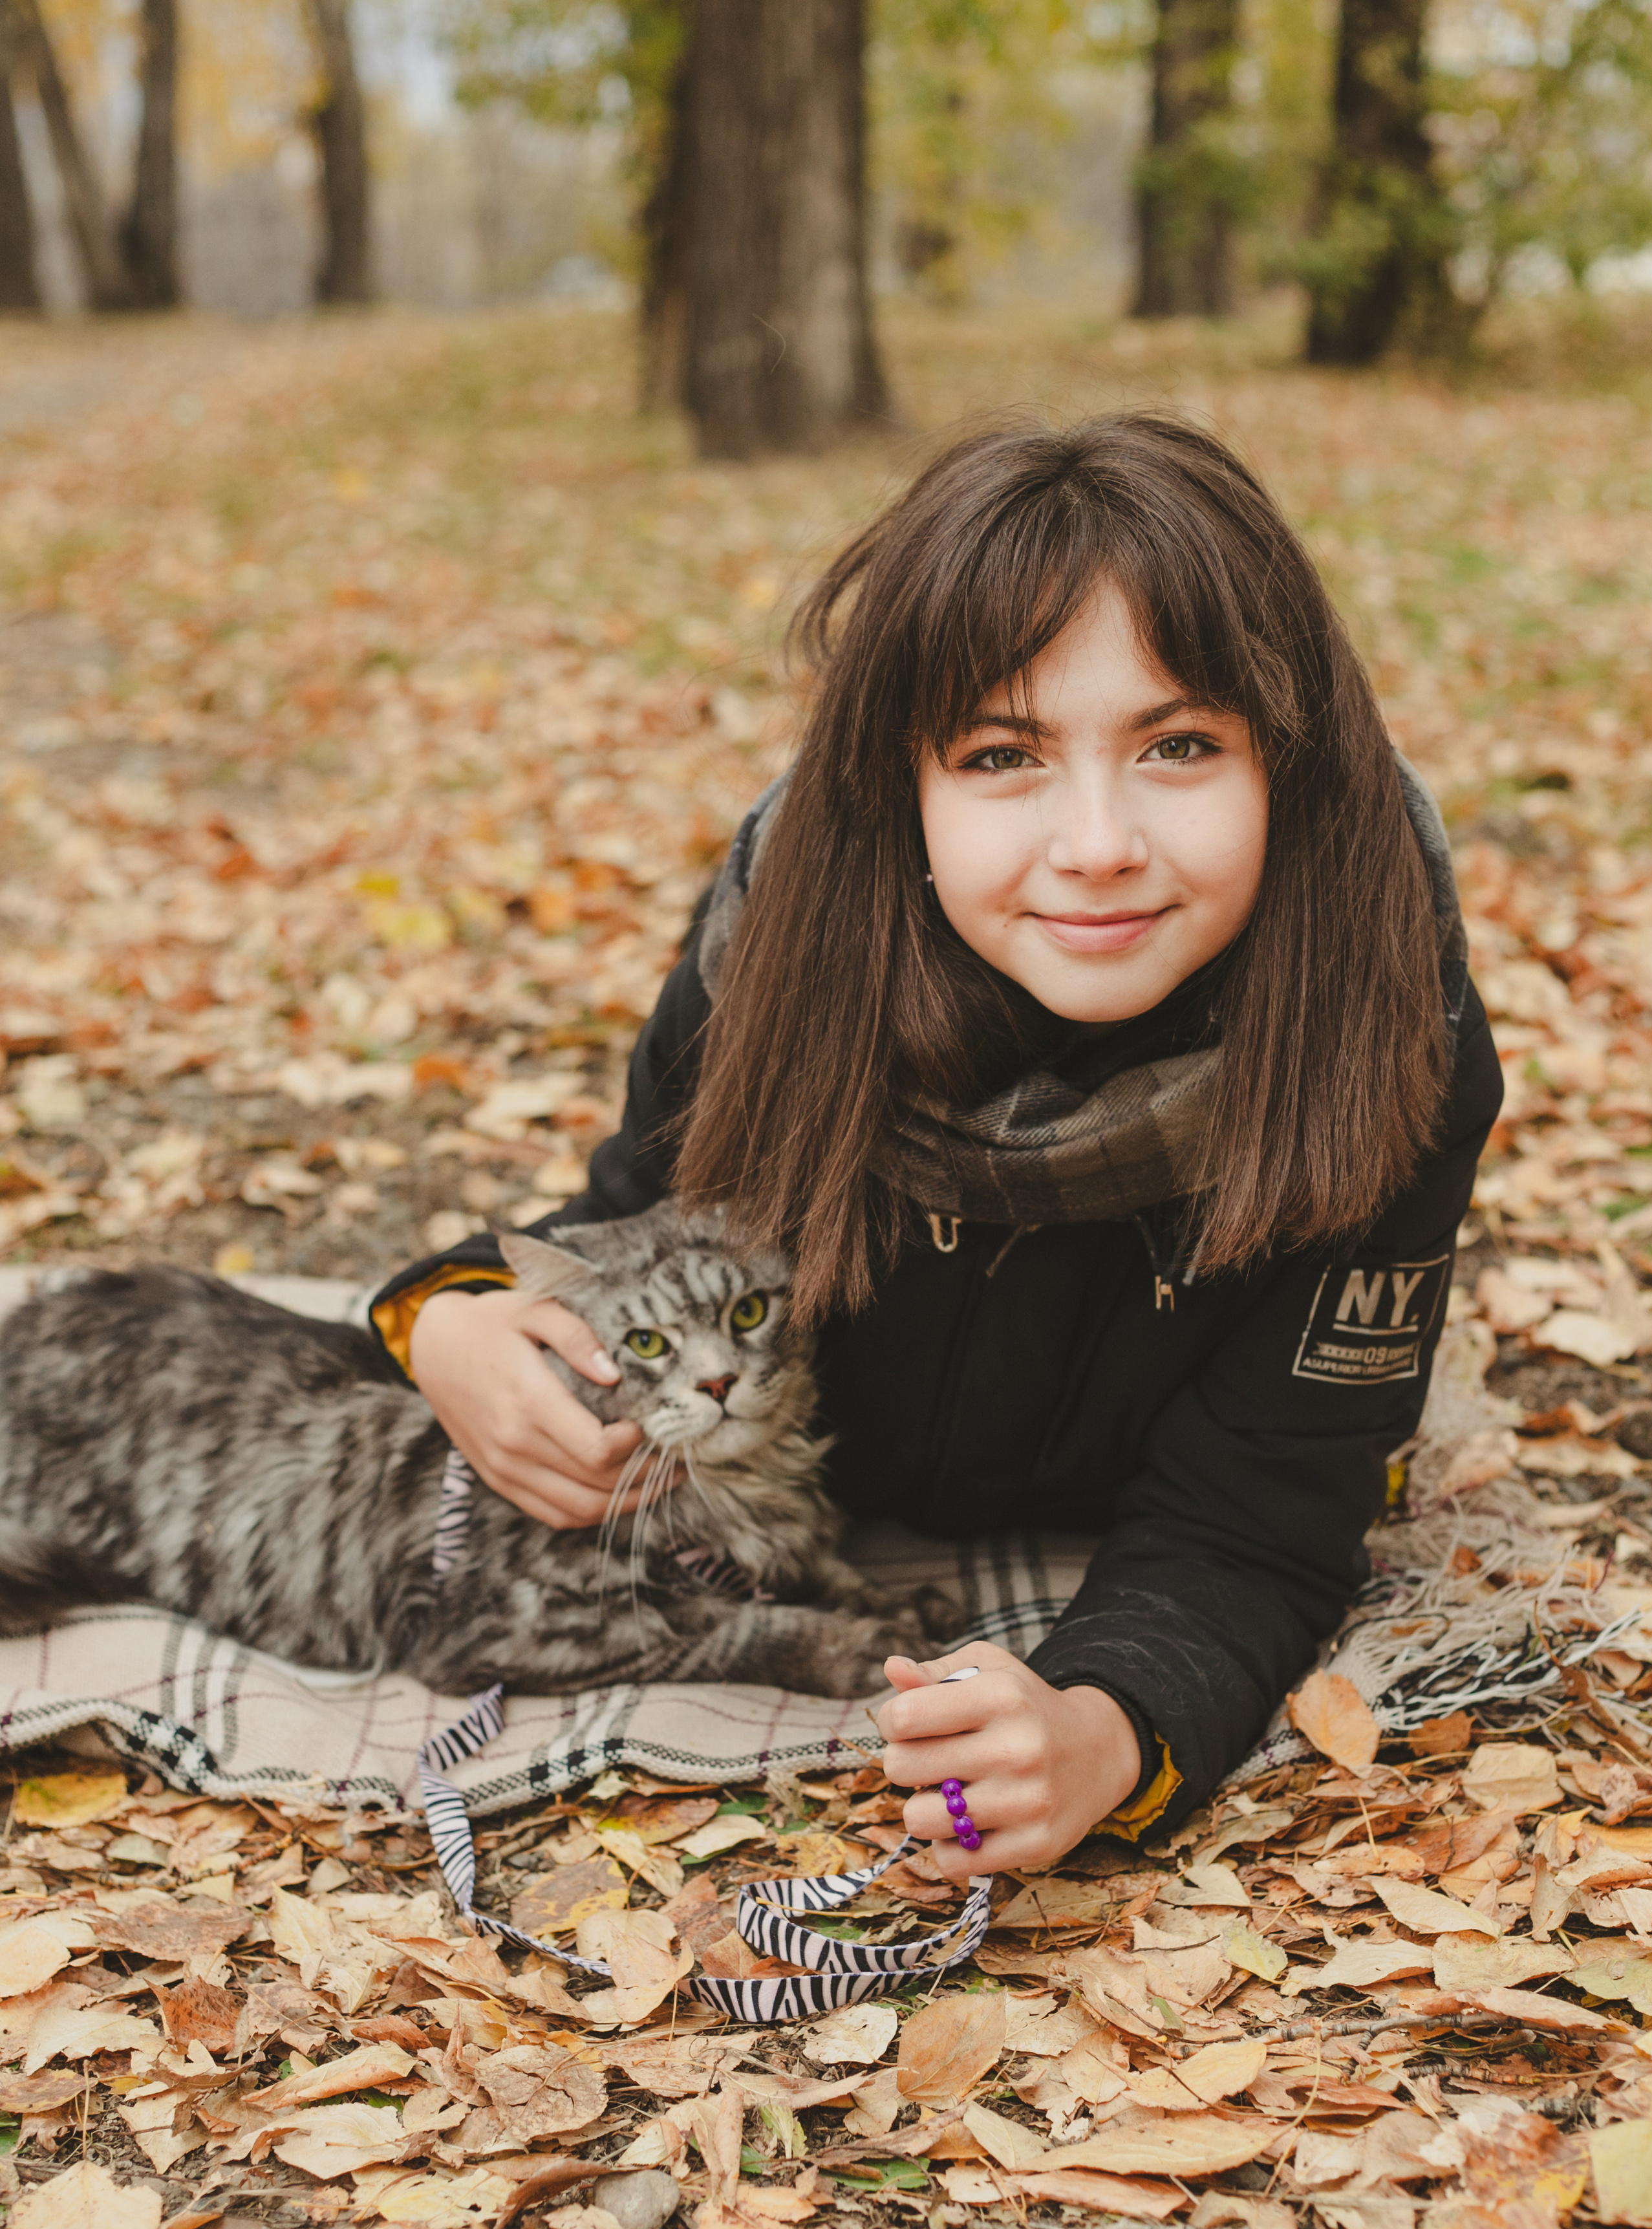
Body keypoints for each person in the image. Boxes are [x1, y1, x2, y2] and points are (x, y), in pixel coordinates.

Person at [367, 414, 1502, 1881]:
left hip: (1138, 1507)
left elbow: (1268, 1514)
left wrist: (1106, 1724)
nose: (1095, 842)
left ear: (1286, 763)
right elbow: (630, 1227)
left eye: (1176, 745)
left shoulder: (1384, 1025)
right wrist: (446, 1322)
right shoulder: (776, 958)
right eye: (999, 754)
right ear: (900, 784)